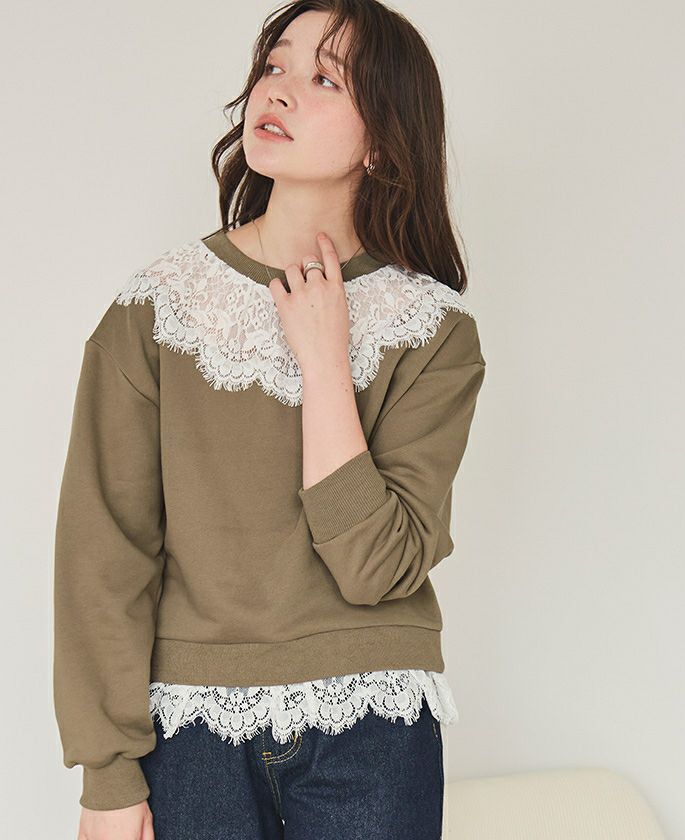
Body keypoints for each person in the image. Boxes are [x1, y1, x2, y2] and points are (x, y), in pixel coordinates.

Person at [53, 1, 487, 838]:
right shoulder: (157, 312)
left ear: (381, 141)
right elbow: (103, 553)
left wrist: (325, 363)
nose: (278, 91)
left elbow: (377, 568)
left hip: (373, 727)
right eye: (275, 65)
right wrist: (107, 774)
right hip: (190, 734)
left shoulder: (432, 332)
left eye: (324, 78)